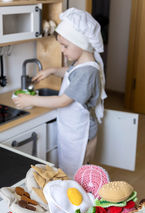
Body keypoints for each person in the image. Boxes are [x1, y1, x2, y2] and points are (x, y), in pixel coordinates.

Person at [12, 8, 107, 178]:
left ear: (81, 43)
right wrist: (53, 70)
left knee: (78, 174)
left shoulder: (88, 72)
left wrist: (31, 100)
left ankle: (80, 203)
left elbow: (63, 101)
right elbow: (70, 73)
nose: (62, 50)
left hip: (81, 132)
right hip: (73, 128)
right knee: (69, 171)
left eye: (65, 46)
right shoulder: (82, 63)